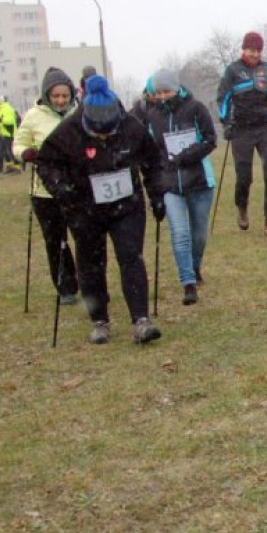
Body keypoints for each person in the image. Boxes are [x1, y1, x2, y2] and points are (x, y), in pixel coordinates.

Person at [36, 75, 165, 345]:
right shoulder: (69, 130)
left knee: (131, 257)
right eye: (97, 132)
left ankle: (141, 320)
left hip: (127, 206)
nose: (104, 136)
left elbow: (152, 161)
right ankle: (99, 321)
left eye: (109, 131)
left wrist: (157, 196)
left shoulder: (131, 126)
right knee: (91, 263)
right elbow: (47, 163)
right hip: (84, 208)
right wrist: (62, 190)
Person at [145, 69, 218, 306]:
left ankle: (195, 266)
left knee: (198, 235)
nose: (163, 96)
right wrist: (156, 190)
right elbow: (151, 153)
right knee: (180, 234)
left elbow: (210, 140)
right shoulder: (152, 116)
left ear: (177, 88)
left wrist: (186, 156)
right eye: (158, 93)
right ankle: (187, 282)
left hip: (199, 182)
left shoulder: (196, 108)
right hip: (170, 185)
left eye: (167, 91)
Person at [216, 31, 267, 238]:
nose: (255, 54)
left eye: (258, 50)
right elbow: (223, 98)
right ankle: (242, 206)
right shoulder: (232, 70)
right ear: (244, 49)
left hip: (264, 127)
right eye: (251, 49)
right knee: (244, 177)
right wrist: (226, 121)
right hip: (241, 129)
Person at [14, 67, 80, 304]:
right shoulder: (33, 116)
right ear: (47, 95)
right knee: (55, 240)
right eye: (56, 96)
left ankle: (88, 279)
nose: (61, 100)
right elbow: (18, 145)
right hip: (44, 191)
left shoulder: (79, 113)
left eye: (65, 96)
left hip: (77, 188)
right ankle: (66, 285)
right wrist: (26, 153)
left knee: (83, 237)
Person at [0, 96, 22, 174]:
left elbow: (9, 122)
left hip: (8, 134)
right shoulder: (3, 109)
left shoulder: (6, 109)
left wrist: (0, 121)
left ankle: (17, 168)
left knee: (11, 151)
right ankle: (10, 166)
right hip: (4, 134)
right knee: (3, 151)